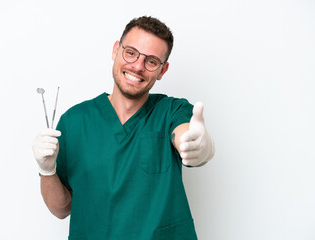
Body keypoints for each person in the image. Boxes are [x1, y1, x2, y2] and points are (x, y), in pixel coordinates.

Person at [32, 16, 215, 240]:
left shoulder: (171, 111)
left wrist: (202, 147)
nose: (138, 66)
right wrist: (47, 170)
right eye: (131, 53)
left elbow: (186, 135)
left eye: (151, 61)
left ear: (162, 70)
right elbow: (61, 209)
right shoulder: (75, 121)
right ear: (115, 50)